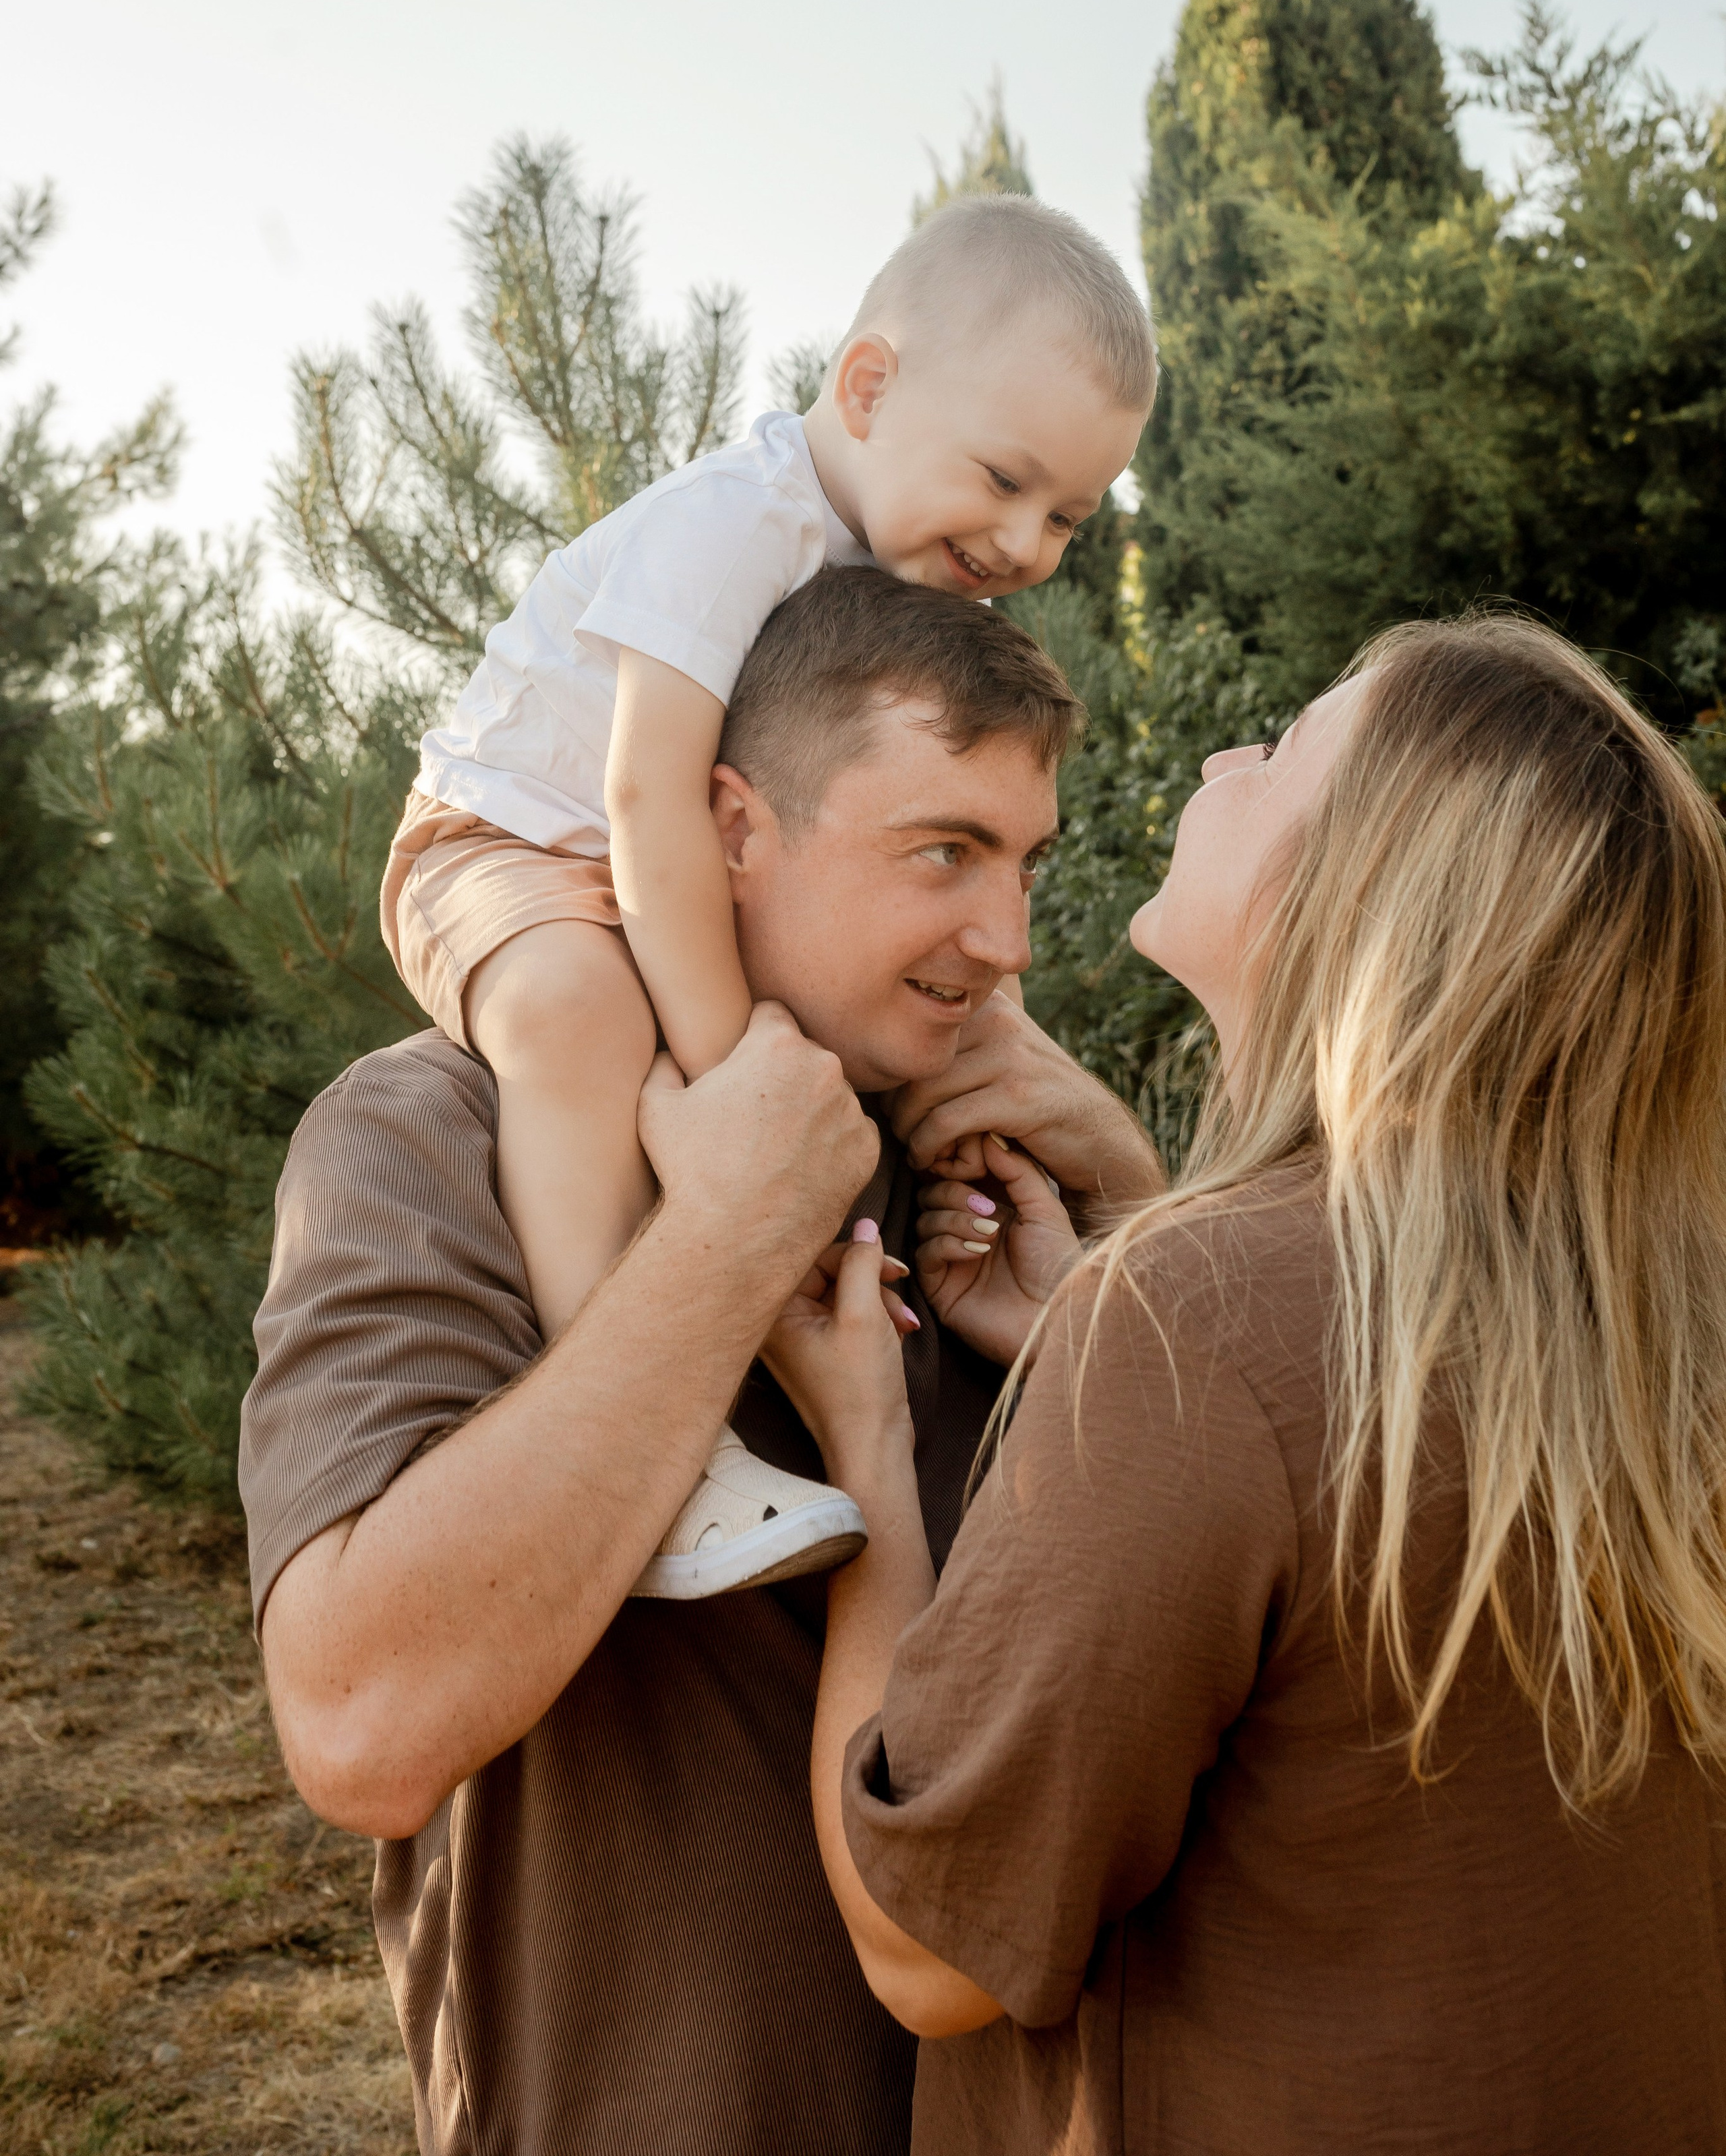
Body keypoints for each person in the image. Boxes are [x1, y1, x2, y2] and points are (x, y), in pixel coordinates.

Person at [775, 612, 1726, 2155]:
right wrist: (1109, 1336)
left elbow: (931, 1950)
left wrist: (866, 1452)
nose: (1226, 755)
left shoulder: (1201, 1319)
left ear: (1359, 887)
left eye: (1280, 751)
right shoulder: (1659, 1315)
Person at [242, 568, 1164, 2156]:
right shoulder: (432, 1133)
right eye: (942, 850)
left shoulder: (1006, 1181)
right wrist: (732, 1233)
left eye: (1022, 864)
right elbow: (359, 1723)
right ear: (733, 826)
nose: (1003, 941)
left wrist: (1143, 1217)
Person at [383, 193, 1153, 1598]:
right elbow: (646, 800)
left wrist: (990, 1060)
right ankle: (648, 1434)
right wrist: (729, 1058)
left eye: (1068, 516)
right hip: (504, 832)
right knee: (570, 1015)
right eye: (1000, 478)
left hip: (647, 854)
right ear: (867, 386)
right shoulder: (736, 525)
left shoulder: (909, 578)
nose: (1025, 542)